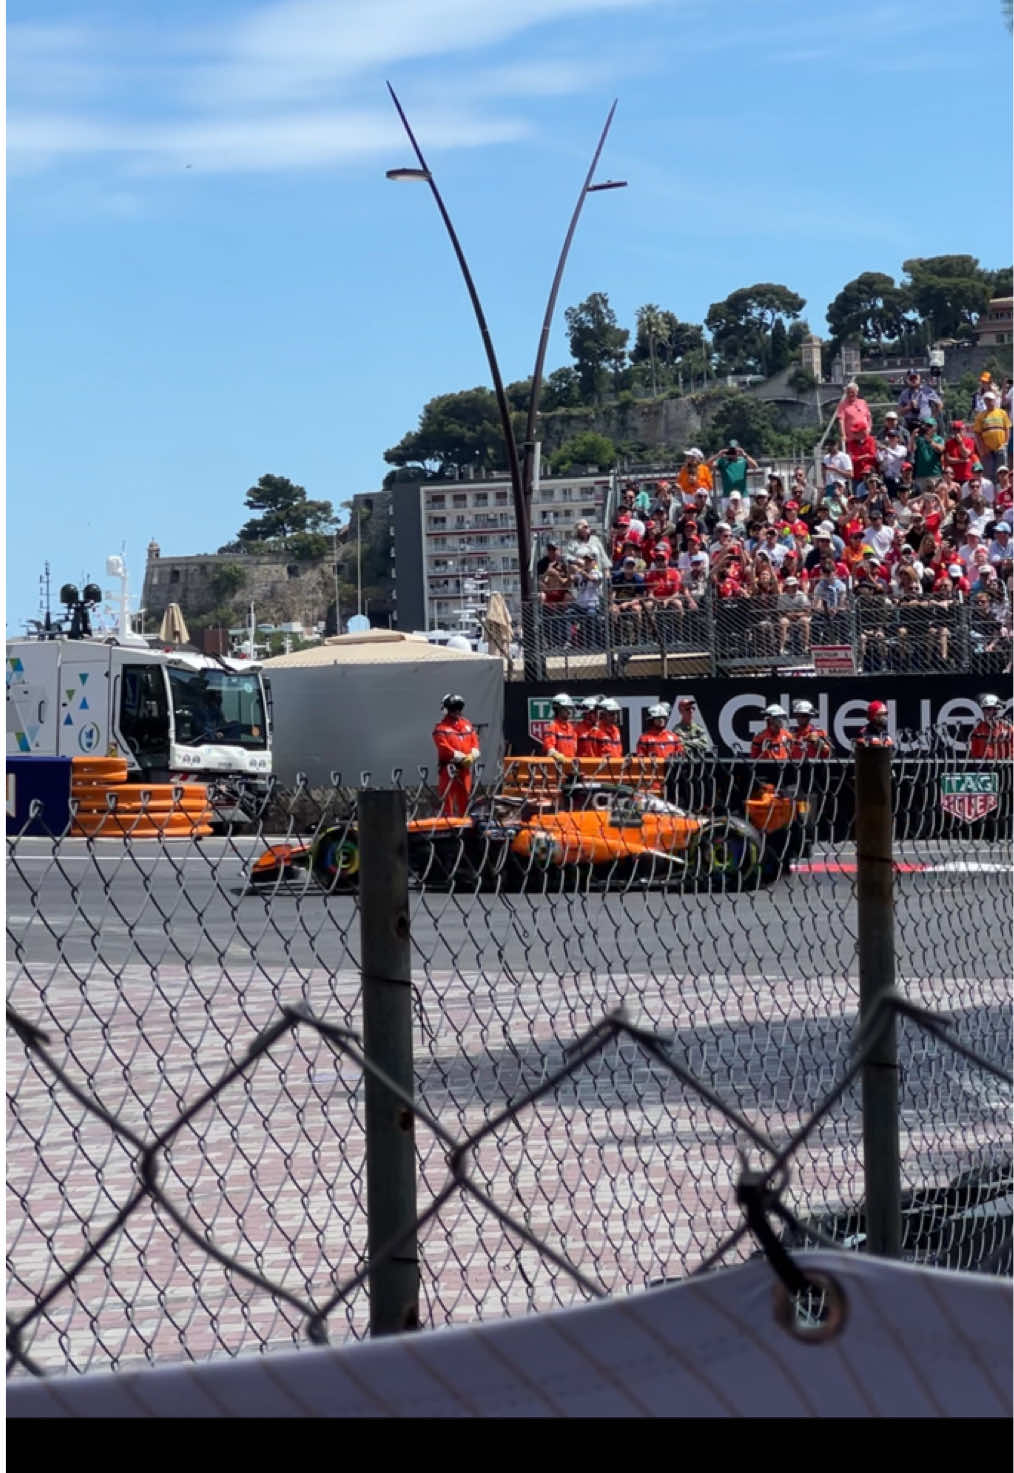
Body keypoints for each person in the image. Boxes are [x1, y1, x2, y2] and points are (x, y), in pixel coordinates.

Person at [433, 693, 480, 817]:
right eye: (453, 708)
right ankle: (447, 826)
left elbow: (475, 742)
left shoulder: (467, 725)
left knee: (465, 799)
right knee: (447, 801)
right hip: (448, 770)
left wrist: (473, 755)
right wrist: (461, 757)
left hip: (465, 770)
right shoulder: (440, 728)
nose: (456, 712)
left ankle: (464, 825)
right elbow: (443, 748)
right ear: (446, 710)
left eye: (458, 708)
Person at [973, 391, 1012, 483]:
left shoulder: (1002, 413)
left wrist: (1005, 443)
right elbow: (977, 434)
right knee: (988, 475)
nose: (989, 402)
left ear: (994, 400)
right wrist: (982, 448)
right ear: (984, 402)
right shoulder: (980, 416)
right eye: (986, 400)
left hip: (1000, 447)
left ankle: (1001, 491)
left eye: (990, 400)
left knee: (1002, 471)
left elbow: (1007, 428)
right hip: (987, 450)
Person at [969, 694, 1013, 759]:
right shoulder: (978, 729)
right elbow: (974, 752)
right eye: (988, 709)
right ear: (983, 711)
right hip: (983, 766)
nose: (992, 712)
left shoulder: (1008, 728)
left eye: (995, 709)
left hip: (1004, 765)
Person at [897, 369, 942, 434]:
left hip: (925, 423)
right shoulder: (904, 394)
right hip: (909, 423)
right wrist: (909, 407)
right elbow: (899, 412)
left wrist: (932, 417)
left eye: (915, 378)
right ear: (907, 380)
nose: (913, 380)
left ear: (919, 378)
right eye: (911, 378)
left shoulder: (927, 390)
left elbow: (939, 404)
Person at [538, 693, 579, 765]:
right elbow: (548, 746)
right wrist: (555, 754)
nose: (569, 712)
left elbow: (575, 748)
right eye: (567, 709)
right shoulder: (552, 726)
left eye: (570, 708)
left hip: (571, 765)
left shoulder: (571, 728)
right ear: (559, 709)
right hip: (557, 766)